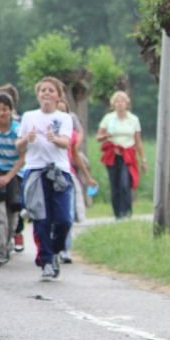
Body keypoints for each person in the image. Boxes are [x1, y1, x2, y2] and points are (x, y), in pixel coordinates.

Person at [16, 77, 74, 280]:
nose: (47, 93)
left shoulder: (64, 118)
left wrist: (54, 138)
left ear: (58, 96)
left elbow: (66, 142)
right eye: (43, 90)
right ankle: (46, 262)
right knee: (41, 219)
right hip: (35, 172)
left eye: (51, 90)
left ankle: (55, 250)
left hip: (59, 173)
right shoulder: (29, 116)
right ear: (38, 94)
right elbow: (19, 146)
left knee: (64, 220)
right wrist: (27, 139)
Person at [56, 98, 98, 263]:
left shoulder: (71, 135)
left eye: (64, 112)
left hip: (67, 175)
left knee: (67, 215)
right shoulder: (44, 131)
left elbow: (75, 156)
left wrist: (88, 177)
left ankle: (65, 248)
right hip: (48, 175)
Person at [0, 93, 24, 266]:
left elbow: (23, 157)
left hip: (14, 174)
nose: (2, 113)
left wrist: (9, 177)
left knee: (12, 213)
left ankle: (7, 245)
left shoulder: (18, 129)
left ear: (11, 110)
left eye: (5, 109)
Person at [96, 91, 146, 219]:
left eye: (122, 101)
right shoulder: (109, 118)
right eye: (117, 102)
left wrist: (143, 159)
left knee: (125, 183)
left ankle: (127, 212)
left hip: (128, 154)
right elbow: (98, 137)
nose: (120, 104)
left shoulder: (133, 119)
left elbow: (138, 141)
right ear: (113, 104)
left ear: (127, 104)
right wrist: (106, 135)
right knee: (115, 184)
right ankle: (117, 213)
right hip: (112, 154)